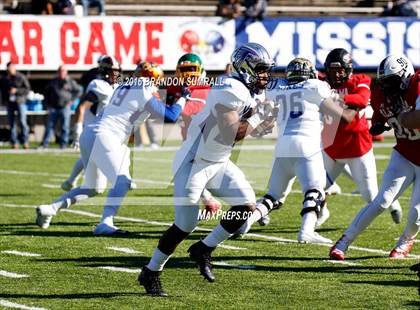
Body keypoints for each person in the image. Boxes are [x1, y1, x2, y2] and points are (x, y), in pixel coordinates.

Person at [138, 43, 276, 296]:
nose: (266, 75)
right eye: (261, 70)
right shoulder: (230, 88)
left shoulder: (251, 91)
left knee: (246, 207)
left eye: (267, 70)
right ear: (244, 68)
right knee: (184, 225)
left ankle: (204, 248)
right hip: (193, 163)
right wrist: (258, 119)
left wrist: (261, 120)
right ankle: (151, 270)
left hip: (218, 161)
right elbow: (228, 133)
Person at [36, 62, 188, 235]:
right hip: (106, 136)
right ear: (152, 78)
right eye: (157, 80)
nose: (158, 84)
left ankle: (51, 208)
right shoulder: (143, 88)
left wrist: (172, 97)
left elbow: (153, 109)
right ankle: (105, 222)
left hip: (91, 133)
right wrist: (183, 97)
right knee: (122, 182)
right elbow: (170, 115)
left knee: (93, 188)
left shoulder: (123, 86)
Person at [234, 58, 356, 243]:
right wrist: (354, 109)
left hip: (283, 146)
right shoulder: (315, 87)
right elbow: (342, 117)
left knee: (273, 196)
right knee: (315, 191)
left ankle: (246, 223)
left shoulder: (278, 87)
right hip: (306, 144)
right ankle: (307, 231)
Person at [330, 55, 420, 260]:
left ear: (405, 76)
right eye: (384, 81)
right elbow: (379, 120)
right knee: (382, 200)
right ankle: (344, 241)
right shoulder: (382, 94)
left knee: (416, 213)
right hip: (404, 153)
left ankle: (405, 242)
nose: (387, 87)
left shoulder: (417, 87)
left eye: (392, 81)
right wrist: (379, 125)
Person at [166, 53, 222, 215]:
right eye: (185, 70)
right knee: (191, 174)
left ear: (201, 70)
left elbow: (179, 112)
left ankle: (254, 208)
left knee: (189, 174)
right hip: (194, 140)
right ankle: (210, 201)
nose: (189, 73)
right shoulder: (182, 88)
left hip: (207, 142)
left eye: (192, 69)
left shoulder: (202, 90)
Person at [61, 56, 120, 191]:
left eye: (117, 71)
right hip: (93, 128)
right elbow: (81, 107)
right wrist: (77, 133)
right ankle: (121, 178)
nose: (116, 74)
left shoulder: (115, 86)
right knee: (97, 183)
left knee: (87, 157)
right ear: (105, 72)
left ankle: (70, 182)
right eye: (113, 71)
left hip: (105, 129)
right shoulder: (99, 86)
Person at [41, 65, 82, 149]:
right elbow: (46, 92)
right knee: (50, 126)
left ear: (66, 72)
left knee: (65, 127)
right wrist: (48, 104)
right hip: (53, 107)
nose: (61, 72)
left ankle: (63, 144)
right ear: (58, 72)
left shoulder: (70, 81)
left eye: (63, 71)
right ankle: (45, 144)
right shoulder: (53, 81)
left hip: (65, 107)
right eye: (60, 71)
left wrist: (72, 101)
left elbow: (79, 91)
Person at [1, 62, 31, 149]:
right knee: (11, 123)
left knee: (22, 122)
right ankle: (14, 142)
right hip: (10, 103)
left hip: (20, 102)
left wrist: (17, 91)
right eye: (8, 68)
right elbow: (3, 91)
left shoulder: (21, 77)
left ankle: (25, 141)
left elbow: (27, 89)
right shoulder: (5, 78)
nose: (10, 70)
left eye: (11, 68)